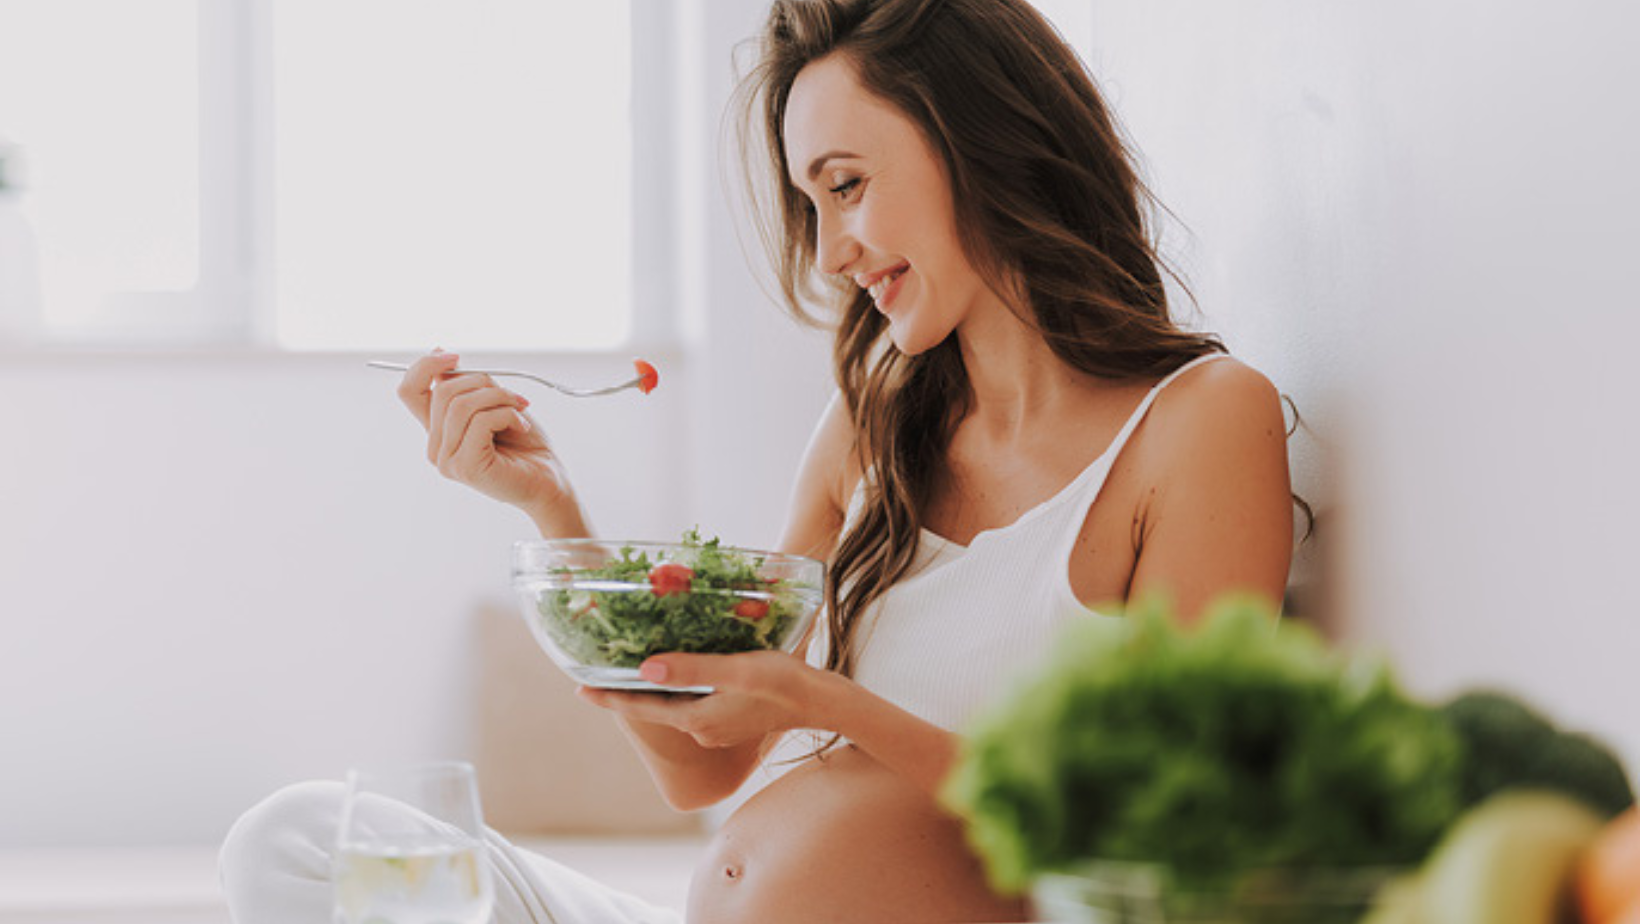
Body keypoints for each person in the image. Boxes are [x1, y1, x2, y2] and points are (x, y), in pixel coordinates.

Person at [219, 0, 1294, 921]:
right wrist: (553, 511)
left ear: (982, 141)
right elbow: (706, 769)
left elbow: (1159, 844)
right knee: (294, 837)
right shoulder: (871, 426)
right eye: (810, 204)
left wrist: (823, 705)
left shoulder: (1194, 423)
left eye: (846, 185)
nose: (830, 251)